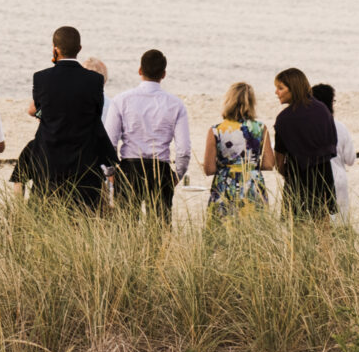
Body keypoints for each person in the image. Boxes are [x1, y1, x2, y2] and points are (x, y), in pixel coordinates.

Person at [26, 28, 113, 209]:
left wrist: (49, 117)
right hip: (84, 162)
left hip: (50, 162)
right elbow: (96, 114)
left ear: (55, 49)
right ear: (79, 48)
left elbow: (39, 111)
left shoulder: (42, 78)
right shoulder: (94, 80)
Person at [106, 50, 190, 220]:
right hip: (160, 171)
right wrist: (176, 175)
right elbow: (184, 150)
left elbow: (109, 142)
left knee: (126, 232)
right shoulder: (176, 104)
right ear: (164, 74)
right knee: (159, 232)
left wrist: (110, 172)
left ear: (140, 70)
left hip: (130, 170)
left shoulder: (121, 100)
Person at [271, 69, 338, 223]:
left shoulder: (284, 119)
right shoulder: (322, 109)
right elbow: (332, 144)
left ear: (293, 88)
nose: (276, 92)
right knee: (324, 231)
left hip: (297, 179)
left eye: (280, 88)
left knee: (299, 234)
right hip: (324, 176)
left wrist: (288, 175)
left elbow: (279, 162)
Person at [201, 81, 272, 223]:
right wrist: (250, 165)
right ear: (252, 103)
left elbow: (209, 169)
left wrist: (227, 166)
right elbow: (269, 164)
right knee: (255, 234)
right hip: (253, 185)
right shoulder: (260, 128)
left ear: (228, 101)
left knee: (221, 235)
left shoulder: (216, 130)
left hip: (225, 186)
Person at [314, 83, 359, 224]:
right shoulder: (340, 127)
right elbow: (350, 159)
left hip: (315, 178)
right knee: (340, 223)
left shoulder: (309, 127)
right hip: (338, 178)